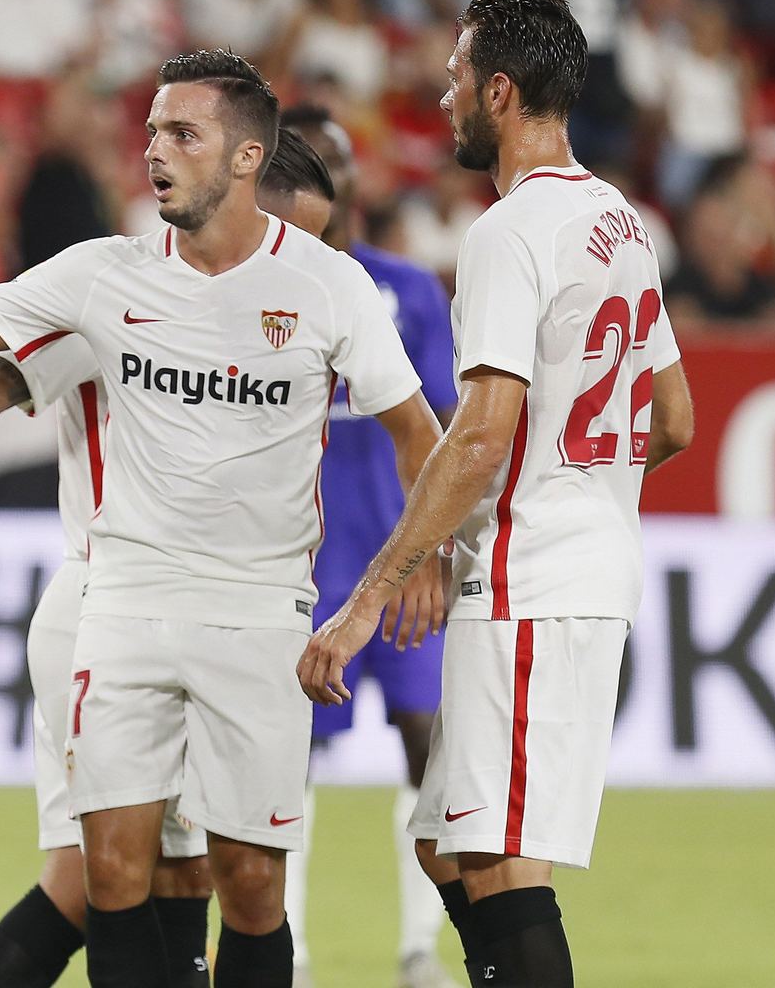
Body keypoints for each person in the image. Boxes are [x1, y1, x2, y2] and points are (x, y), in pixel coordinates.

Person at [0, 49, 444, 986]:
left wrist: (416, 562)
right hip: (118, 597)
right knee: (112, 873)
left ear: (248, 158)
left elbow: (422, 434)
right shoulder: (103, 277)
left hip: (258, 610)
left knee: (248, 884)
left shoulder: (330, 288)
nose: (155, 154)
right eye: (152, 135)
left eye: (182, 134)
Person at [0, 126, 340, 988]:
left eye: (319, 244)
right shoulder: (138, 299)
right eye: (296, 237)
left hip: (153, 612)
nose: (308, 263)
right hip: (117, 607)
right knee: (169, 875)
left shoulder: (286, 318)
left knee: (93, 883)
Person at [299, 0, 696, 988]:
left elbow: (479, 437)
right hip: (582, 562)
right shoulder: (622, 219)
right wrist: (582, 468)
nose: (443, 96)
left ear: (501, 91)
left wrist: (373, 594)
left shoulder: (507, 234)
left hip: (532, 578)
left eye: (456, 77)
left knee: (504, 861)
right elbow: (677, 419)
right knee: (450, 844)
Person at [277, 104, 461, 988]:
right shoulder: (257, 289)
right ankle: (295, 949)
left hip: (401, 562)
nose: (335, 175)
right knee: (290, 757)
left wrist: (437, 547)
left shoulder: (409, 290)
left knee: (427, 740)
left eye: (342, 159)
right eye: (317, 162)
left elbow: (446, 428)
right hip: (304, 566)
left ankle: (421, 946)